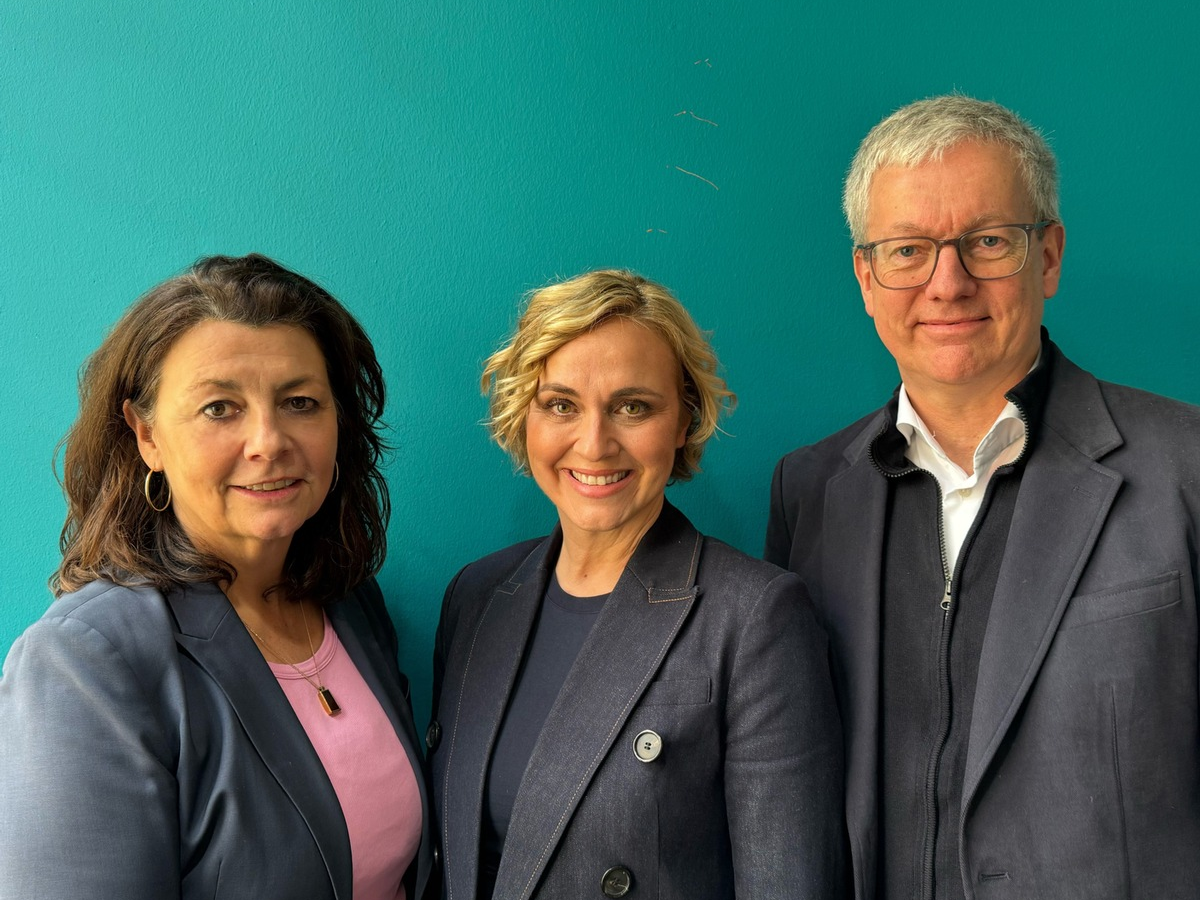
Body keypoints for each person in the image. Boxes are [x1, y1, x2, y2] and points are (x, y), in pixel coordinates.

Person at [766, 95, 1200, 899]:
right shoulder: (809, 492)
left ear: (1049, 257)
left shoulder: (1187, 467)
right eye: (908, 250)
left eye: (989, 241)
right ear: (866, 278)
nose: (948, 283)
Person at [0, 254, 433, 900]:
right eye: (220, 408)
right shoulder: (84, 664)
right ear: (146, 436)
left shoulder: (351, 605)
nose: (268, 441)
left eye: (300, 402)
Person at [429, 270, 845, 900]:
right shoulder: (477, 596)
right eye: (561, 404)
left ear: (684, 421)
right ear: (524, 417)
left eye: (633, 407)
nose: (594, 444)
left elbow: (788, 883)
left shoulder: (754, 616)